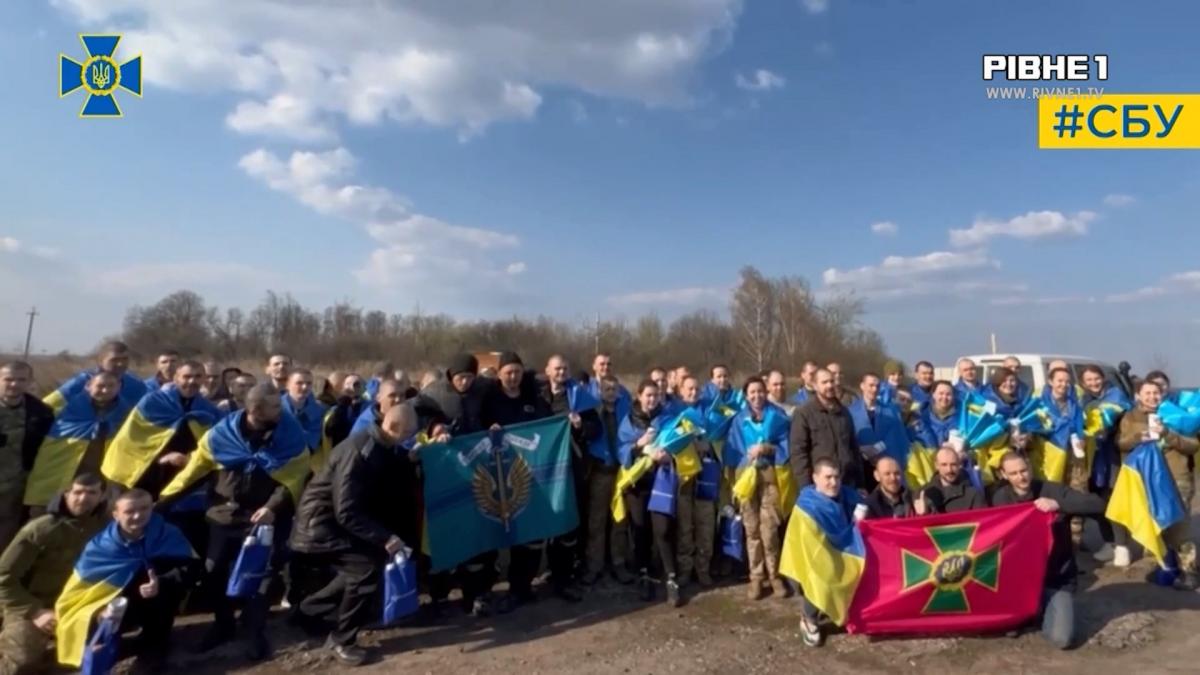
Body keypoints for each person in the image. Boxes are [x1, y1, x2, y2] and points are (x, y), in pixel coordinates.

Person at [161, 384, 310, 661]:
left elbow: (294, 475)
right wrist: (161, 502)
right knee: (214, 570)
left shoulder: (290, 433)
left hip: (265, 518)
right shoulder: (221, 435)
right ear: (256, 410)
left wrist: (272, 507)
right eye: (274, 406)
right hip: (224, 514)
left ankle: (254, 629)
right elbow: (195, 470)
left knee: (263, 574)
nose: (281, 410)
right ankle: (223, 624)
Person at [289, 404, 421, 667]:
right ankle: (342, 639)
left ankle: (309, 611)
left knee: (364, 565)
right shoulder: (360, 452)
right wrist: (384, 537)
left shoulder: (380, 444)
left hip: (333, 523)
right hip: (319, 527)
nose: (411, 437)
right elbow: (346, 510)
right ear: (394, 428)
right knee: (364, 569)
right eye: (409, 433)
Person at [55, 489, 199, 672]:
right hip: (111, 604)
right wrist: (100, 610)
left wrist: (162, 582)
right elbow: (83, 591)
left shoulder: (168, 533)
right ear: (116, 514)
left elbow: (191, 569)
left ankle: (154, 648)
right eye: (129, 511)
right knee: (91, 624)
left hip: (154, 600)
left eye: (144, 509)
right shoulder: (101, 546)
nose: (138, 516)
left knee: (165, 596)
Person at [991, 452, 1105, 649]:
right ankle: (1032, 609)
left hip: (1055, 577)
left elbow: (1097, 504)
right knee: (1010, 629)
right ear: (1003, 475)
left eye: (1023, 470)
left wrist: (1059, 504)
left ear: (1030, 467)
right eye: (1014, 473)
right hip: (1020, 580)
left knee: (1061, 639)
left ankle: (1044, 607)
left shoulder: (1052, 490)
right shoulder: (1000, 497)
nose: (1021, 477)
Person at [0, 474, 108, 675]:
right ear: (66, 494)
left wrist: (104, 604)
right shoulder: (41, 529)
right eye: (77, 492)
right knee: (21, 662)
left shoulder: (106, 528)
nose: (83, 498)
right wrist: (35, 611)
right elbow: (4, 578)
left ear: (102, 496)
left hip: (76, 603)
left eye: (92, 493)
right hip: (29, 602)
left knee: (92, 653)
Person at [476, 352, 554, 613]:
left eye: (517, 372)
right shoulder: (489, 400)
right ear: (499, 374)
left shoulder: (533, 398)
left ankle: (522, 586)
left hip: (528, 475)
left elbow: (547, 426)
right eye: (508, 372)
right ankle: (484, 590)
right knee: (494, 530)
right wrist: (488, 429)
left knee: (529, 534)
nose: (513, 377)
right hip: (496, 476)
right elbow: (475, 429)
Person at [1115, 379, 1199, 583]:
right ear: (1138, 395)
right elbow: (1121, 443)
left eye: (1156, 393)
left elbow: (1192, 446)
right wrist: (1138, 437)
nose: (1152, 397)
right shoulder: (1130, 416)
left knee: (1179, 527)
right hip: (1148, 479)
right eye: (1147, 393)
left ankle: (1190, 573)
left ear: (1162, 394)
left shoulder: (1177, 413)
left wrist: (1167, 434)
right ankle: (1168, 569)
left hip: (1176, 478)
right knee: (1158, 526)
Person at [102, 361, 222, 499]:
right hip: (137, 471)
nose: (192, 381)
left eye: (197, 376)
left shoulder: (208, 411)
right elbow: (131, 439)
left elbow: (210, 445)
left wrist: (188, 458)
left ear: (204, 379)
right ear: (176, 378)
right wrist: (163, 456)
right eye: (187, 376)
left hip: (175, 476)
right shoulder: (153, 401)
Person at [24, 372, 131, 515]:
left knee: (96, 515)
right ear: (88, 386)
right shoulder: (68, 406)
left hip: (100, 474)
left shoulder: (127, 412)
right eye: (100, 386)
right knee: (45, 514)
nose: (105, 390)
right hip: (60, 469)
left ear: (119, 387)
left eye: (111, 386)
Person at [725, 376, 792, 600]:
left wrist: (766, 448)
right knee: (751, 528)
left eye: (760, 391)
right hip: (746, 477)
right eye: (752, 392)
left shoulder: (778, 416)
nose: (757, 396)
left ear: (766, 392)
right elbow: (732, 450)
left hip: (770, 475)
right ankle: (756, 576)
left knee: (770, 528)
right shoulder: (739, 420)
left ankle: (774, 575)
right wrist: (734, 478)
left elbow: (787, 446)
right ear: (746, 395)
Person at [537, 355, 596, 603]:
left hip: (572, 467)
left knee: (569, 524)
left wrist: (581, 425)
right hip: (542, 470)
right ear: (547, 370)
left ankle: (564, 578)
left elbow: (595, 428)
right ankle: (543, 573)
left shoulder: (579, 396)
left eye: (565, 368)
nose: (561, 372)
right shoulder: (537, 396)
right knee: (545, 521)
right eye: (557, 368)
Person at [617, 379, 681, 606]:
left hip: (660, 482)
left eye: (656, 395)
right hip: (637, 484)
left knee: (663, 530)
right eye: (648, 395)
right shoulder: (628, 420)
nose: (653, 400)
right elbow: (621, 450)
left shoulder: (667, 418)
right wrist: (639, 445)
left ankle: (671, 578)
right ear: (639, 396)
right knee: (640, 529)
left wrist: (668, 457)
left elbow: (679, 445)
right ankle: (644, 574)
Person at [797, 457, 860, 648]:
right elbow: (806, 544)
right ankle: (808, 618)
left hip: (841, 550)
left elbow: (865, 503)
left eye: (837, 477)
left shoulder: (846, 495)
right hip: (813, 559)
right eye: (828, 477)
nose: (834, 482)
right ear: (815, 478)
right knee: (821, 576)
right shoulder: (807, 506)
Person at [580, 374, 633, 586]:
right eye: (607, 389)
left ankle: (618, 562)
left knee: (619, 519)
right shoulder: (593, 412)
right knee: (597, 521)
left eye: (614, 390)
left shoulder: (626, 411)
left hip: (621, 471)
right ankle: (594, 565)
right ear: (600, 391)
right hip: (600, 471)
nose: (611, 393)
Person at [1079, 364, 1132, 565]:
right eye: (1089, 380)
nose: (1094, 383)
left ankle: (1122, 546)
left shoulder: (1117, 396)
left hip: (1114, 455)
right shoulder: (1084, 401)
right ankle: (1110, 542)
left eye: (1096, 378)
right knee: (1098, 499)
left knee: (1114, 498)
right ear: (1083, 383)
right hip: (1093, 456)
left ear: (1103, 378)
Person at [670, 375, 718, 590]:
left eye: (696, 388)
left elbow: (718, 435)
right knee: (685, 525)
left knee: (706, 523)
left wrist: (707, 445)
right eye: (689, 388)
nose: (693, 392)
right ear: (681, 390)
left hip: (706, 476)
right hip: (684, 477)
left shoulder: (708, 410)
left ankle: (703, 568)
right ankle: (685, 569)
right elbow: (669, 440)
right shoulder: (674, 411)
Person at [0, 362, 54, 551]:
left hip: (15, 487)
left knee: (7, 533)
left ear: (30, 382)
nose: (14, 384)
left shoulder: (41, 413)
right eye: (8, 379)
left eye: (21, 379)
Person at [790, 368, 864, 490]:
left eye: (831, 381)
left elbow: (854, 448)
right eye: (824, 382)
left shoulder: (844, 412)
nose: (829, 385)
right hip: (820, 485)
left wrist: (861, 484)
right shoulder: (804, 413)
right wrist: (806, 487)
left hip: (847, 482)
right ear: (815, 385)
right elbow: (798, 452)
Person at [847, 372, 912, 491]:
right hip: (862, 466)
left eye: (877, 386)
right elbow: (848, 438)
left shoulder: (891, 410)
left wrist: (878, 449)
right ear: (862, 386)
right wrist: (860, 450)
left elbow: (898, 437)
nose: (874, 389)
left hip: (886, 464)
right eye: (871, 385)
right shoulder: (851, 411)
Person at [44, 340, 147, 414]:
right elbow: (46, 405)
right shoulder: (81, 382)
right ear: (101, 361)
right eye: (114, 360)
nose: (120, 364)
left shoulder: (136, 386)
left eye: (125, 359)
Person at [417, 354, 485, 437]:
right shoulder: (432, 393)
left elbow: (492, 411)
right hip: (446, 440)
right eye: (461, 377)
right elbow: (419, 413)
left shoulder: (481, 389)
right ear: (452, 375)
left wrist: (492, 423)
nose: (465, 382)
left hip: (474, 439)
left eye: (470, 377)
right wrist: (433, 426)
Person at [914, 447, 987, 514]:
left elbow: (982, 521)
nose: (949, 470)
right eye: (944, 465)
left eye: (953, 464)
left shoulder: (973, 495)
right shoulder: (923, 494)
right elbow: (913, 523)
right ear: (936, 465)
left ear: (959, 465)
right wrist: (923, 514)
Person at [282, 368, 330, 468]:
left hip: (307, 466)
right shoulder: (274, 408)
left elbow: (312, 441)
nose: (304, 387)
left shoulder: (321, 411)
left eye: (309, 383)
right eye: (299, 383)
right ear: (287, 385)